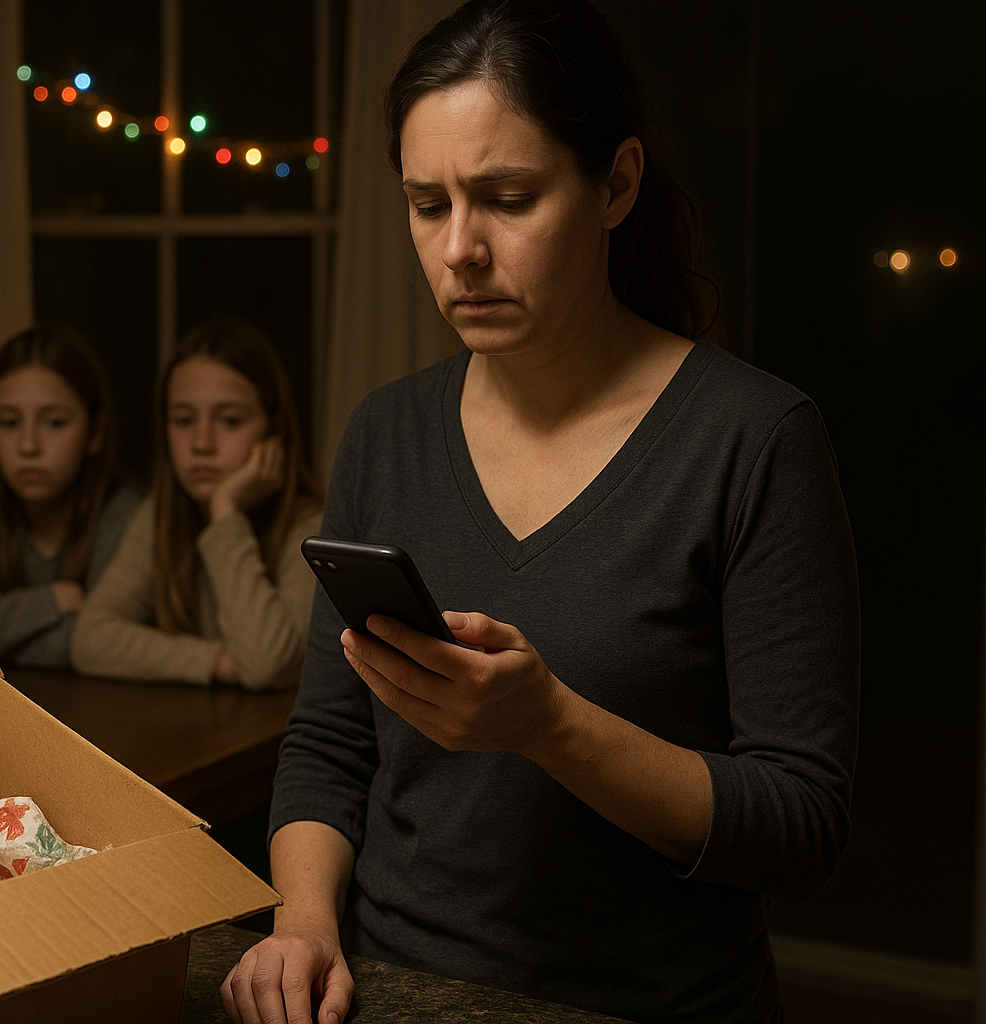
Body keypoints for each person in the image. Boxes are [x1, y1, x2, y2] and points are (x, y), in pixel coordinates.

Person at [220, 3, 860, 1023]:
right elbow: (330, 746)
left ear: (616, 183)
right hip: (398, 994)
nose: (460, 249)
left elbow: (798, 823)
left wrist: (549, 725)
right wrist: (302, 920)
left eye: (507, 197)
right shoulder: (385, 433)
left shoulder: (752, 439)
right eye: (428, 205)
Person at [72, 319, 324, 690]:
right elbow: (90, 640)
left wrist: (225, 511)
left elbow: (268, 664)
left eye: (229, 420)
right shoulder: (161, 513)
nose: (201, 442)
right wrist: (217, 661)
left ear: (274, 432)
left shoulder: (310, 527)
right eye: (184, 420)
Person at [0, 326, 138, 672]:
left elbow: (102, 645)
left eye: (55, 423)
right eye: (9, 422)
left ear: (95, 433)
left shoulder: (123, 514)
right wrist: (52, 600)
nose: (28, 445)